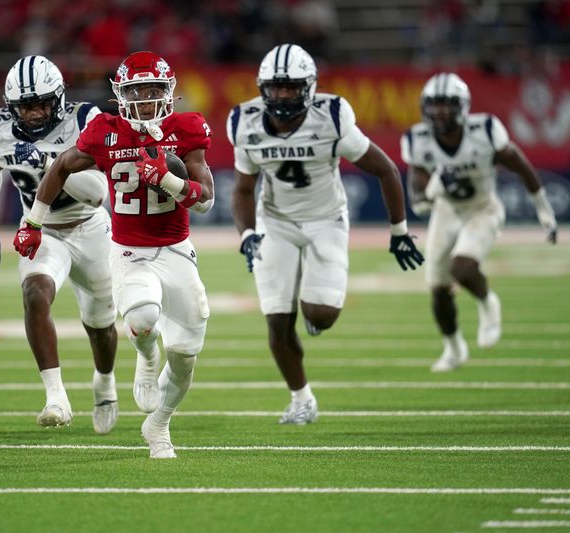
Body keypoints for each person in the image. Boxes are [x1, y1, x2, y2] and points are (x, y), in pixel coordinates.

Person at [13, 51, 214, 458]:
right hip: (129, 251)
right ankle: (144, 358)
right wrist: (33, 222)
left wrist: (170, 181)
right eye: (136, 90)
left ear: (169, 92)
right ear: (120, 95)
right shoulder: (106, 131)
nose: (145, 98)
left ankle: (158, 425)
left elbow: (206, 200)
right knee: (141, 319)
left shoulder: (187, 128)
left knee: (185, 357)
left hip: (176, 248)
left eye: (154, 89)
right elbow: (62, 167)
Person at [228, 44, 423, 426]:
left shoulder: (332, 117)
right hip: (275, 221)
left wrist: (399, 231)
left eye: (292, 87)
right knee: (277, 320)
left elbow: (386, 170)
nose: (283, 95)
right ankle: (301, 399)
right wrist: (247, 233)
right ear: (262, 88)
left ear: (310, 87)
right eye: (276, 87)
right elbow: (241, 189)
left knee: (321, 314)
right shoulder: (244, 121)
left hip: (326, 218)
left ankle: (313, 302)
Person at [0, 55, 119, 434]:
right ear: (11, 107)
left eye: (42, 103)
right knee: (35, 293)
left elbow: (98, 194)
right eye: (26, 106)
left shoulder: (85, 121)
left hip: (90, 227)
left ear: (59, 100)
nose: (35, 113)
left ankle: (104, 382)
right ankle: (56, 396)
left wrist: (51, 161)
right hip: (42, 229)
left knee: (101, 326)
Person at [402, 72, 558, 372]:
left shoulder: (484, 129)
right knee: (437, 287)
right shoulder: (418, 140)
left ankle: (488, 302)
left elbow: (520, 164)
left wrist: (543, 209)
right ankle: (454, 348)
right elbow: (421, 203)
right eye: (433, 106)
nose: (439, 112)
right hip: (446, 211)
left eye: (446, 105)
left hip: (483, 208)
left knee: (463, 267)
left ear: (462, 107)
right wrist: (437, 183)